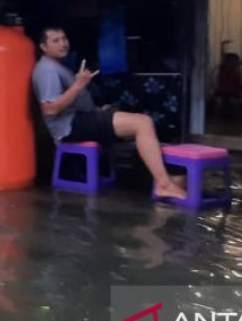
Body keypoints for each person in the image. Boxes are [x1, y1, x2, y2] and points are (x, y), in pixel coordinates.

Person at [33, 27, 187, 200]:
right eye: (56, 41)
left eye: (64, 38)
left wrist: (98, 111)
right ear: (43, 47)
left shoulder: (57, 66)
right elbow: (50, 108)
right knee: (142, 123)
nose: (63, 43)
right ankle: (163, 184)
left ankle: (167, 177)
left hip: (79, 119)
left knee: (136, 122)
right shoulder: (47, 70)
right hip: (69, 127)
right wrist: (78, 85)